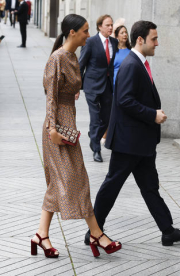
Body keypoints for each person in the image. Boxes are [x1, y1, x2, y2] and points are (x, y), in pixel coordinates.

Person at [85, 20, 180, 247]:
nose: (157, 43)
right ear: (140, 39)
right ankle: (93, 232)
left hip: (141, 142)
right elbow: (124, 100)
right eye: (154, 39)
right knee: (112, 185)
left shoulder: (139, 63)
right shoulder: (131, 65)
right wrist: (152, 114)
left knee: (150, 187)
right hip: (128, 142)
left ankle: (168, 231)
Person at [31, 14, 122, 259]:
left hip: (67, 125)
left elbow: (65, 89)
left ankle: (41, 235)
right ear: (72, 33)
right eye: (84, 30)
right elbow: (50, 96)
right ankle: (96, 234)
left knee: (64, 181)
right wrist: (52, 129)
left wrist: (71, 94)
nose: (87, 34)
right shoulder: (57, 58)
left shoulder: (72, 56)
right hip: (57, 129)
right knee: (76, 178)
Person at [79, 14, 118, 162]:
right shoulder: (90, 42)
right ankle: (96, 149)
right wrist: (77, 87)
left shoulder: (114, 42)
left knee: (107, 118)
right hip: (92, 86)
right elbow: (81, 64)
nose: (110, 27)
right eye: (107, 25)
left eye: (111, 25)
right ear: (100, 26)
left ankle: (93, 135)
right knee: (95, 118)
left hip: (107, 86)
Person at [101, 24, 131, 146]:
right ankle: (105, 134)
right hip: (112, 86)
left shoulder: (130, 51)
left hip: (126, 86)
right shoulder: (113, 51)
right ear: (117, 35)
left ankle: (119, 137)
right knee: (111, 113)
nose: (125, 35)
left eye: (126, 32)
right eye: (122, 32)